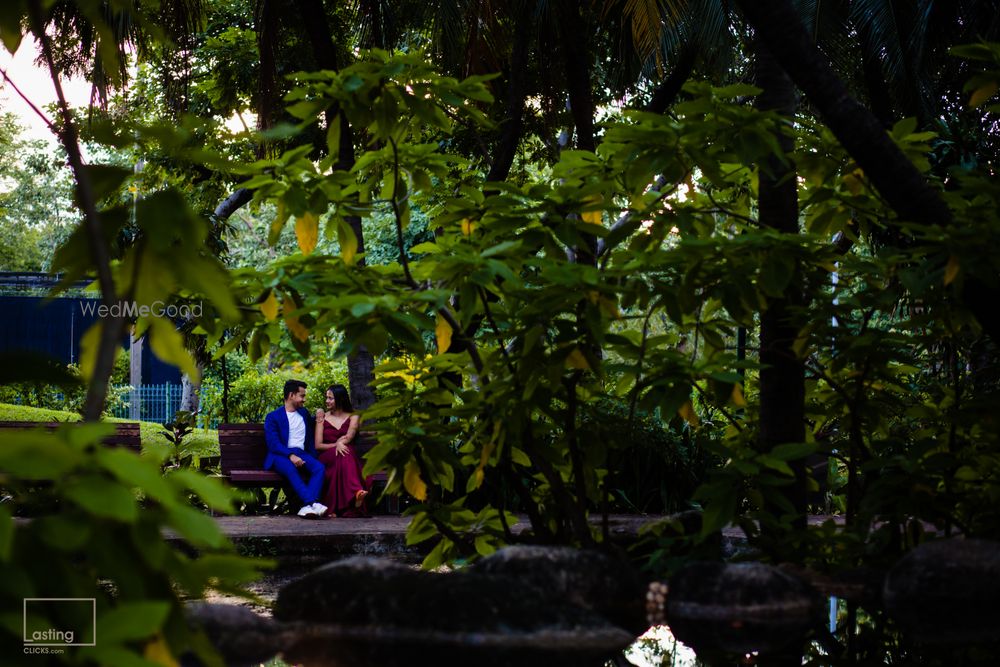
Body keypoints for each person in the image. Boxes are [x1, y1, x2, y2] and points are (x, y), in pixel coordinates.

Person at [263, 379, 328, 518]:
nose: (304, 400)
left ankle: (306, 507)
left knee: (319, 468)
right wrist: (290, 455)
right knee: (290, 468)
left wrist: (320, 412)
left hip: (302, 453)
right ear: (292, 395)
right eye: (302, 396)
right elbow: (273, 444)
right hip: (279, 455)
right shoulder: (273, 417)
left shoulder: (303, 413)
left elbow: (315, 422)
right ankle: (312, 503)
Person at [315, 384, 369, 517]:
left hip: (344, 455)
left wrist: (340, 443)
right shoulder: (322, 418)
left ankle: (334, 508)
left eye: (330, 398)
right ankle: (356, 492)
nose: (327, 401)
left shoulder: (354, 416)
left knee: (345, 451)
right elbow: (318, 445)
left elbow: (350, 436)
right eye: (326, 398)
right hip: (327, 456)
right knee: (344, 451)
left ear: (340, 399)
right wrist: (336, 444)